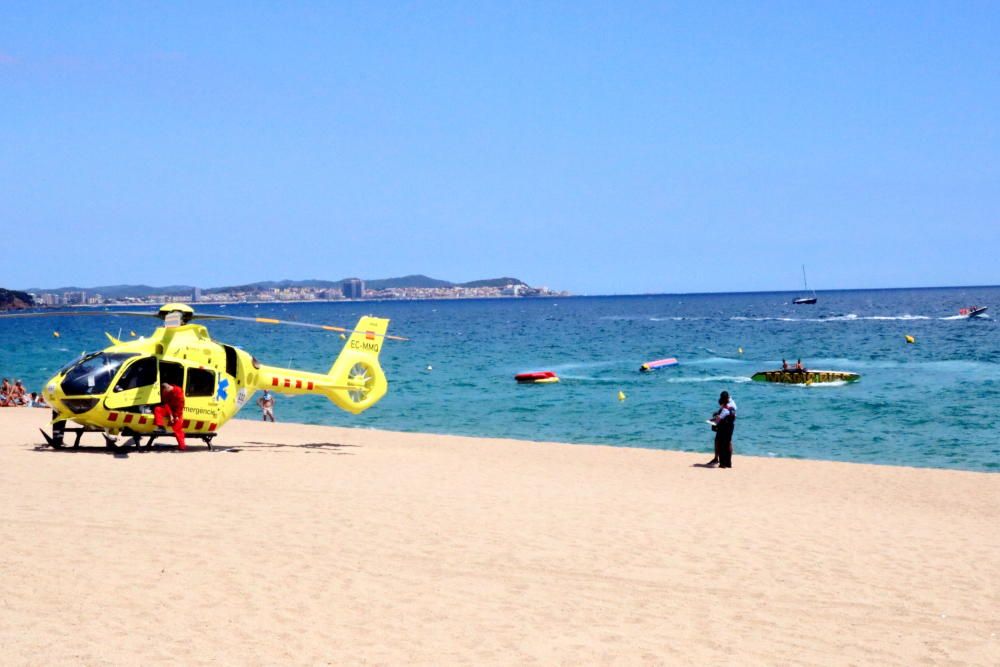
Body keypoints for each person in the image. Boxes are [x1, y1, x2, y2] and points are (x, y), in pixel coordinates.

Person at [706, 391, 737, 467]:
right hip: (731, 426)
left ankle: (722, 463)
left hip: (724, 427)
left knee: (721, 444)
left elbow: (718, 420)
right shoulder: (732, 404)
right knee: (727, 442)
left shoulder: (725, 409)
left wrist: (713, 419)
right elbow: (733, 415)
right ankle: (728, 463)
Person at [153, 382, 187, 450]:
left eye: (165, 391)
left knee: (177, 429)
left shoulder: (178, 391)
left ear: (168, 388)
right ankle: (160, 427)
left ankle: (182, 446)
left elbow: (181, 405)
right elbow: (166, 404)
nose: (164, 392)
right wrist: (170, 415)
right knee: (157, 409)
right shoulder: (165, 392)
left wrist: (176, 416)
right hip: (170, 410)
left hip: (177, 412)